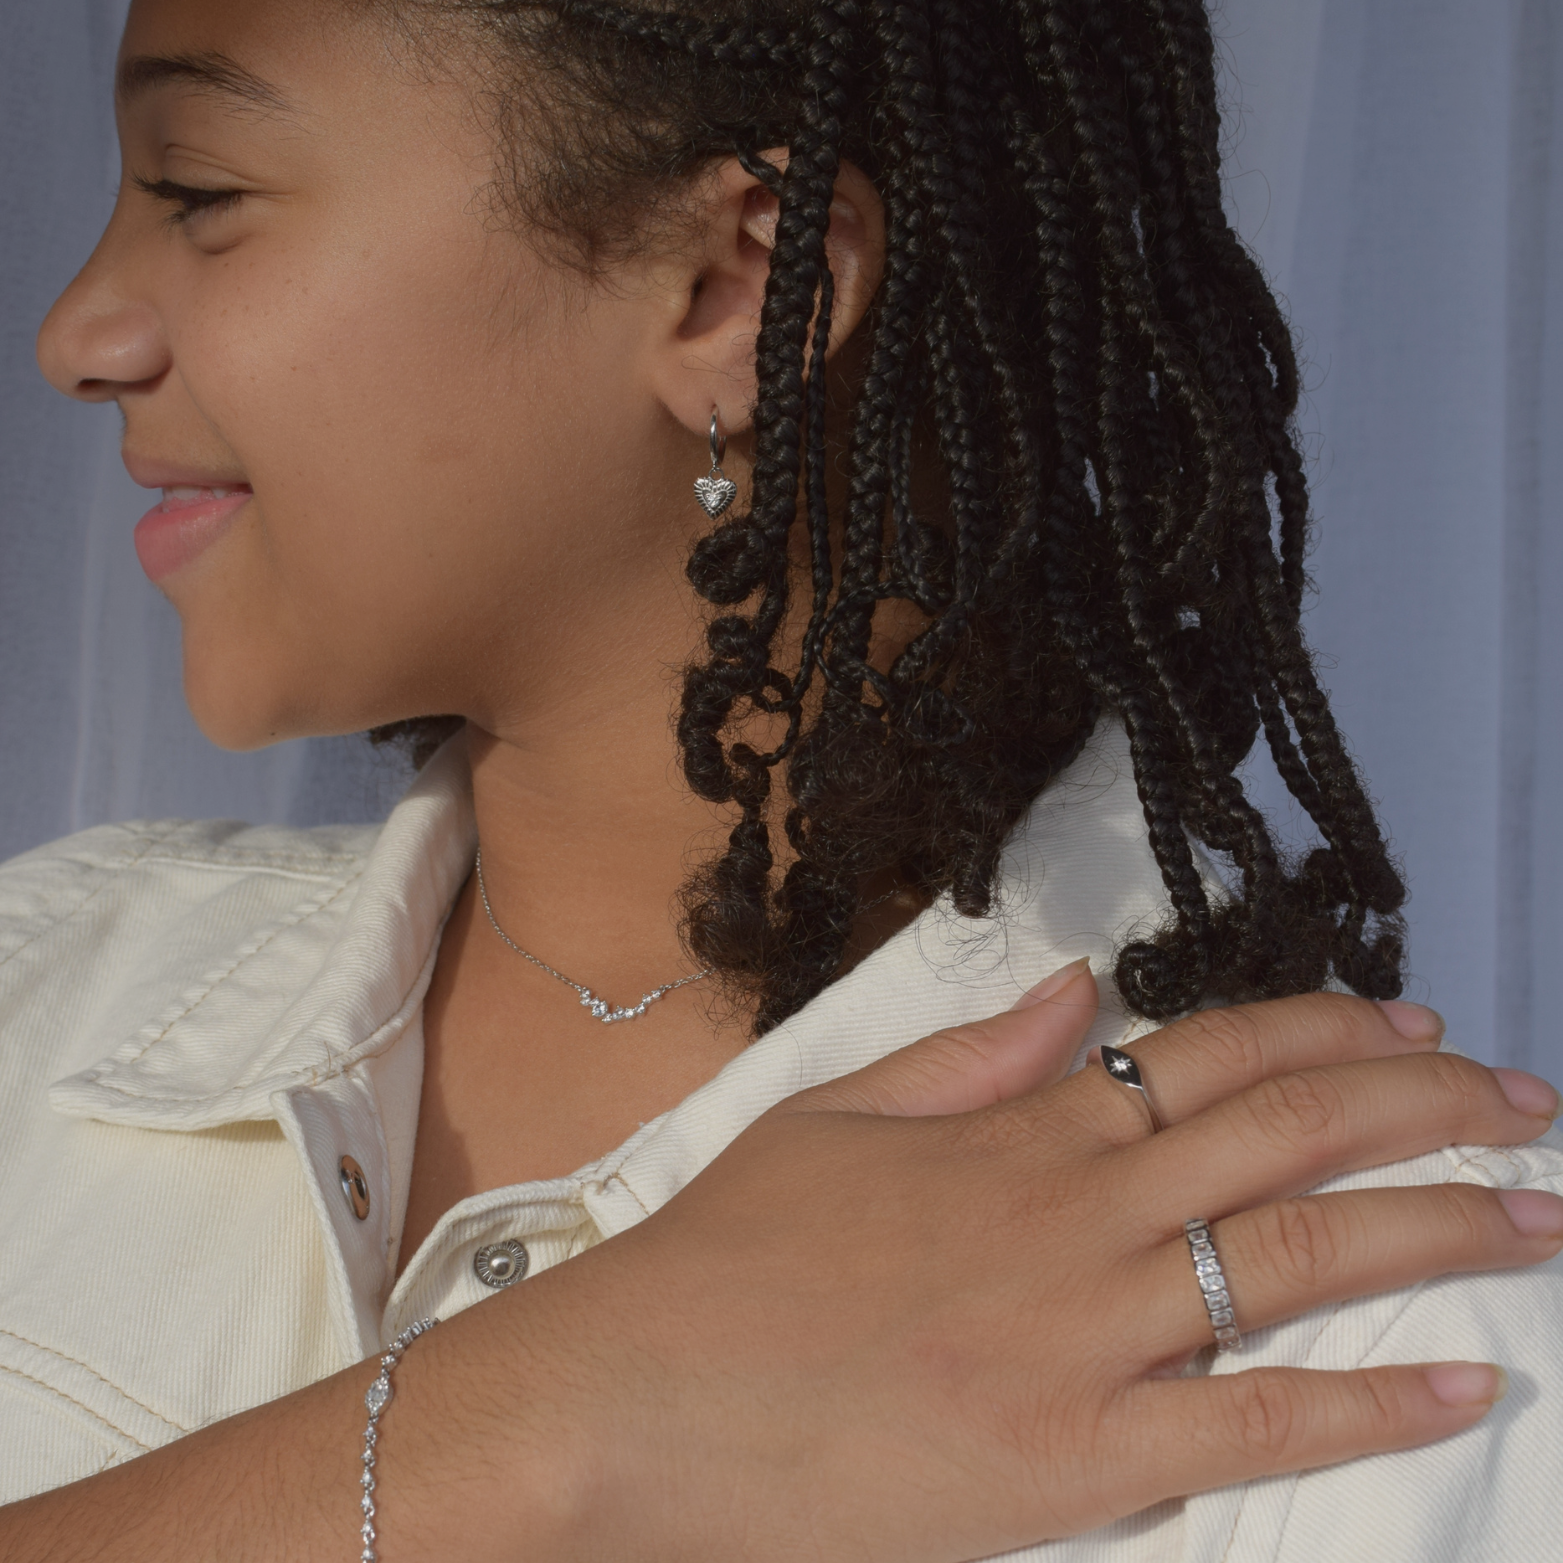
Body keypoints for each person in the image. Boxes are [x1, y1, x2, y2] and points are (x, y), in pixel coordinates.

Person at [1, 0, 1560, 1558]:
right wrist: (537, 1425)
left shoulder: (1396, 1329)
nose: (79, 333)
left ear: (740, 284)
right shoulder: (40, 985)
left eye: (198, 194)